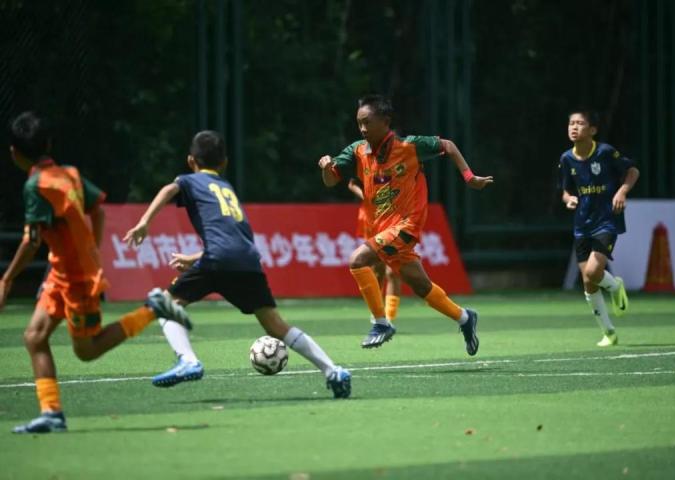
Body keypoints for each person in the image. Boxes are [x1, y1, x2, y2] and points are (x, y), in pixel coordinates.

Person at [123, 130, 351, 398]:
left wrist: (144, 222)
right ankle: (333, 371)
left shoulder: (190, 180)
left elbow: (169, 189)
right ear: (224, 163)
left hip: (217, 259)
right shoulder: (226, 188)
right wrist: (196, 258)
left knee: (164, 304)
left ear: (190, 160)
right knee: (276, 325)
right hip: (247, 262)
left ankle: (188, 360)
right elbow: (238, 240)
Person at [0, 112, 189, 434]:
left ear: (14, 153)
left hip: (76, 279)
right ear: (48, 145)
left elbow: (32, 241)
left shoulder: (36, 185)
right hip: (61, 273)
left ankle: (152, 309)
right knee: (34, 337)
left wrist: (6, 279)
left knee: (87, 350)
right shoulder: (69, 175)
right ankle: (51, 413)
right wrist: (92, 250)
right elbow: (97, 211)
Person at [318, 94, 493, 353]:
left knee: (357, 260)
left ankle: (380, 323)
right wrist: (326, 167)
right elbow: (331, 180)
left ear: (385, 121)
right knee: (422, 286)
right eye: (359, 123)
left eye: (367, 122)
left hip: (406, 226)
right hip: (382, 228)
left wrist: (468, 177)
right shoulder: (357, 151)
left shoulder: (409, 146)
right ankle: (465, 318)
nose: (363, 128)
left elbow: (448, 145)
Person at [558, 109, 639, 346]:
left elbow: (632, 171)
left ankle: (614, 287)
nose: (574, 127)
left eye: (580, 123)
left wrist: (622, 191)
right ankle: (609, 332)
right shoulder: (566, 159)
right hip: (582, 224)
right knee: (588, 281)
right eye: (571, 123)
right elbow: (565, 190)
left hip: (607, 220)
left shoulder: (605, 152)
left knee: (593, 272)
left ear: (592, 130)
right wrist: (569, 199)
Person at [348, 177, 402, 323]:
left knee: (393, 271)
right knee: (378, 269)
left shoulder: (400, 166)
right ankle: (378, 312)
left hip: (395, 217)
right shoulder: (365, 164)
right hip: (372, 217)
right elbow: (352, 184)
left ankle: (389, 318)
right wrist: (368, 199)